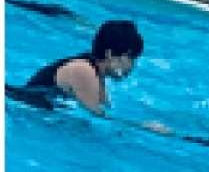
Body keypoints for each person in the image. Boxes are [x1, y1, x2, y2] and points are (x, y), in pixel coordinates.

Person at [6, 20, 144, 115]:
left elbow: (103, 113)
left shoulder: (98, 77)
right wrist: (142, 128)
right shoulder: (83, 71)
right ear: (110, 54)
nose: (132, 65)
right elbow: (96, 117)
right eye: (131, 58)